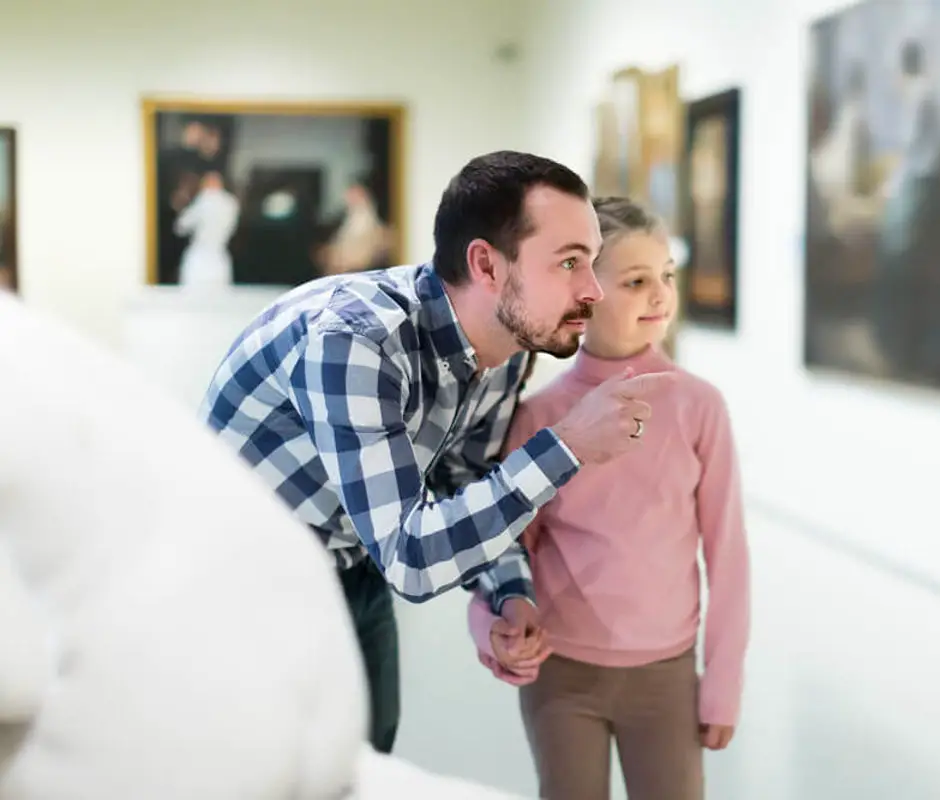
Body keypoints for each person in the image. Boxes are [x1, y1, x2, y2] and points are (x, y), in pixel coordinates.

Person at [197, 152, 676, 755]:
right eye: (570, 263)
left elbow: (461, 475)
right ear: (486, 265)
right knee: (268, 772)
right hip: (241, 581)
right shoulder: (355, 341)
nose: (593, 289)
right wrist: (566, 446)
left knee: (364, 762)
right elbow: (412, 557)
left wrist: (509, 591)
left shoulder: (510, 340)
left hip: (352, 564)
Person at [466, 197, 751, 800]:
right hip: (560, 676)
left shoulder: (701, 407)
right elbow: (503, 544)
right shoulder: (540, 415)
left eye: (667, 276)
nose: (660, 295)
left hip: (667, 677)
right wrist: (492, 625)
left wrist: (721, 680)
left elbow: (729, 559)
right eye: (636, 281)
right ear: (586, 294)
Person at [174, 170, 240, 288]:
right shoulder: (231, 203)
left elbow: (181, 226)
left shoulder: (204, 200)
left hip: (199, 257)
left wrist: (183, 203)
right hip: (220, 259)